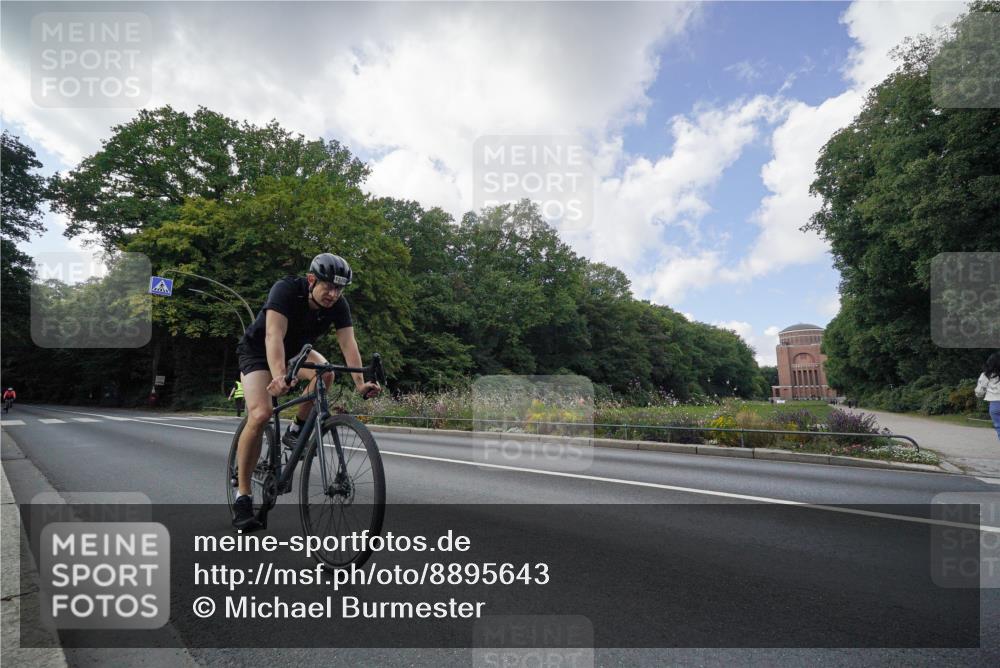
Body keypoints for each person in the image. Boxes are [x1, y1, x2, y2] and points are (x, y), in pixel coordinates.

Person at [232, 253, 382, 529]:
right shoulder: (286, 290)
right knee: (261, 413)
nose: (333, 294)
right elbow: (273, 336)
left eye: (339, 289)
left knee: (326, 373)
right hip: (258, 352)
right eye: (328, 287)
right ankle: (243, 495)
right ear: (312, 279)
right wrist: (279, 377)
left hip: (296, 354)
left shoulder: (338, 304)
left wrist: (361, 383)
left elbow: (349, 344)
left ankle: (296, 430)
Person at [975, 352, 1000, 442]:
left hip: (995, 405)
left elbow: (979, 391)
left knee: (999, 427)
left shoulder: (986, 375)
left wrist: (979, 395)